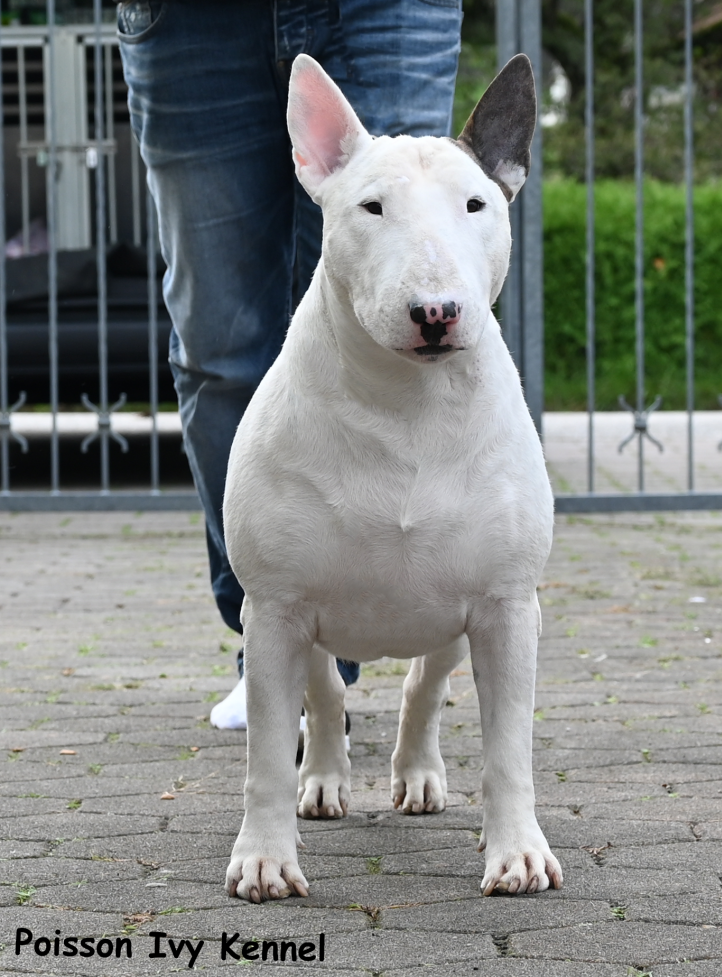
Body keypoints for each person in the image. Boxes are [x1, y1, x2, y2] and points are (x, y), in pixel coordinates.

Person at [117, 0, 463, 728]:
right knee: (220, 351)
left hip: (385, 11)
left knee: (392, 323)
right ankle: (278, 642)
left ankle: (346, 640)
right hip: (191, 24)